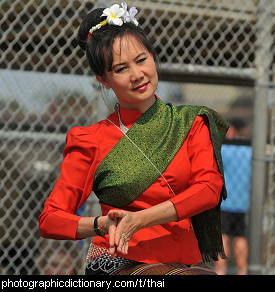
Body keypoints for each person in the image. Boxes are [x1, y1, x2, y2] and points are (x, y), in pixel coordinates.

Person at [39, 3, 228, 275]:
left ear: (153, 57)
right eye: (120, 69)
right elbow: (50, 220)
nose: (137, 75)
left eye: (141, 60)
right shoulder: (90, 139)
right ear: (103, 79)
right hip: (117, 264)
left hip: (184, 263)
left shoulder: (191, 123)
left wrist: (139, 220)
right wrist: (101, 225)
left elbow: (209, 188)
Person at [215, 118, 251, 275]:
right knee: (240, 236)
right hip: (242, 202)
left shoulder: (226, 149)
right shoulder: (250, 149)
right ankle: (242, 271)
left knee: (222, 236)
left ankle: (220, 271)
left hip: (224, 201)